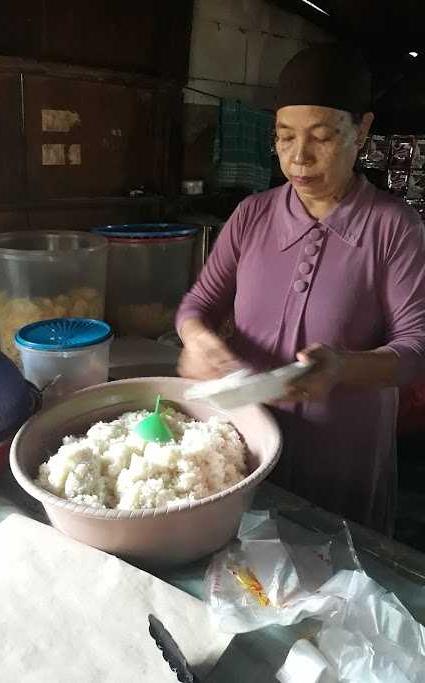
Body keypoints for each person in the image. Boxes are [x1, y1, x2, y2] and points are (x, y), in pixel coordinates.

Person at [176, 44, 425, 535]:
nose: (299, 158)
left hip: (342, 455)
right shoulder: (253, 215)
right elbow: (198, 303)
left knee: (337, 576)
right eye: (285, 137)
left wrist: (344, 367)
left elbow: (416, 349)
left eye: (323, 137)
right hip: (249, 439)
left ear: (363, 130)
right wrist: (196, 339)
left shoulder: (394, 227)